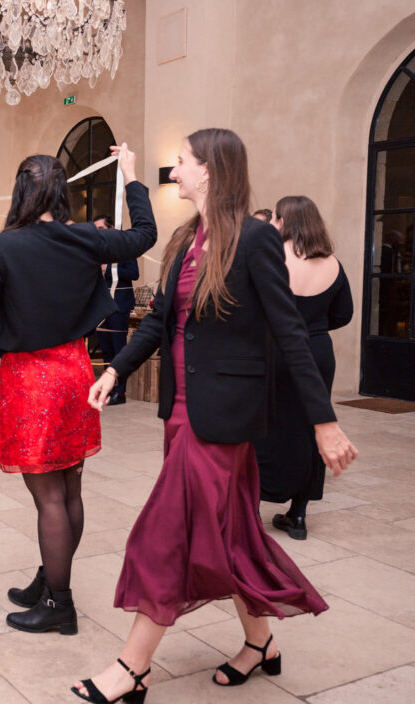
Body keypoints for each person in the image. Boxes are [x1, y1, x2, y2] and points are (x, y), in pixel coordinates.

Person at [74, 129, 358, 704]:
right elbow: (158, 323)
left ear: (209, 170)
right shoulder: (185, 238)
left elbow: (290, 334)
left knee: (166, 534)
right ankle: (261, 643)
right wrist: (114, 371)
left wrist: (323, 421)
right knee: (227, 537)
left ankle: (133, 668)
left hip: (224, 421)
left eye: (180, 163)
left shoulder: (255, 239)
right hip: (181, 412)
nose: (173, 172)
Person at [0, 151, 156, 635]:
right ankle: (51, 577)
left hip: (31, 382)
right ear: (61, 192)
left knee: (48, 498)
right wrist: (131, 175)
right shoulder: (86, 237)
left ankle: (59, 604)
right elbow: (145, 235)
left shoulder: (1, 247)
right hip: (76, 372)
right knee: (69, 489)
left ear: (22, 190)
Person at [254, 196, 353, 540]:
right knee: (312, 428)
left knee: (263, 425)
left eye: (277, 218)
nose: (274, 224)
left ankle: (251, 508)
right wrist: (315, 326)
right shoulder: (334, 264)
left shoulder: (272, 258)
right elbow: (344, 314)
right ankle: (298, 516)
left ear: (285, 221)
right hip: (318, 352)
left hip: (277, 350)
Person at [92, 215, 140, 405]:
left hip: (120, 305)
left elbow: (134, 273)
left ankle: (120, 392)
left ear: (112, 227)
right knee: (106, 349)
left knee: (119, 349)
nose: (98, 232)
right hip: (102, 306)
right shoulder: (99, 250)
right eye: (96, 229)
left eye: (101, 228)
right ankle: (107, 389)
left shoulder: (125, 247)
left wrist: (111, 271)